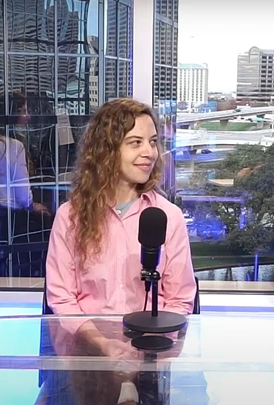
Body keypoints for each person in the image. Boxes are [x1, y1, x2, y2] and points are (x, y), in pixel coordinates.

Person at [45, 98, 196, 315]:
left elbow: (179, 301)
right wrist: (94, 334)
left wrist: (152, 334)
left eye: (153, 142)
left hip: (153, 335)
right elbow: (62, 298)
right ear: (106, 150)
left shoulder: (169, 216)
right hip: (86, 336)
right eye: (136, 143)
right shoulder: (70, 216)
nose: (150, 152)